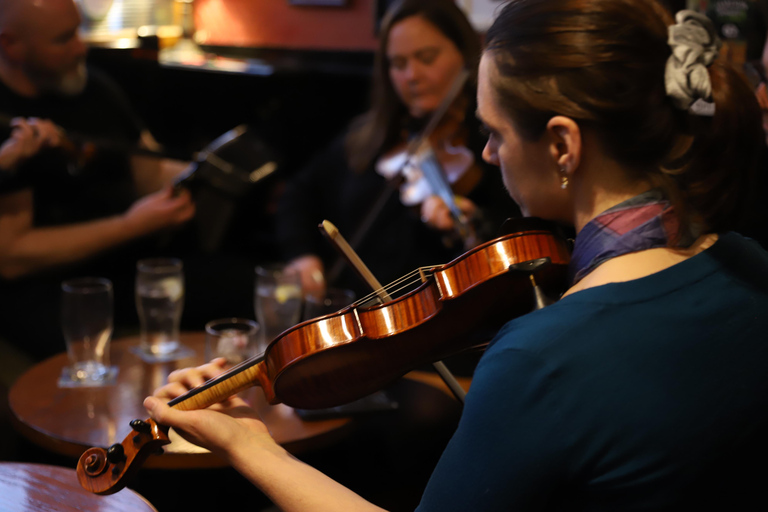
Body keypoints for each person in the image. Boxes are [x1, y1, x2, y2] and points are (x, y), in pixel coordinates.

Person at [144, 0, 768, 510]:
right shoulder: (751, 266)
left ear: (562, 146)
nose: (489, 154)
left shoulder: (540, 357)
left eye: (495, 132)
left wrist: (250, 447)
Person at [276, 0, 520, 300]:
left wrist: (478, 223)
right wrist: (302, 256)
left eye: (427, 58)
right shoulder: (369, 136)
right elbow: (298, 195)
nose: (411, 76)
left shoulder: (493, 144)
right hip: (353, 309)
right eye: (398, 64)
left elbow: (518, 235)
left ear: (465, 55)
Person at [0, 0, 195, 360]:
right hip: (44, 285)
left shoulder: (96, 86)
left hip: (125, 262)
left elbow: (152, 174)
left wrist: (205, 177)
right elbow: (11, 257)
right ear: (10, 45)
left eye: (79, 31)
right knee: (91, 355)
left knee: (236, 283)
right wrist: (131, 225)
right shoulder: (9, 127)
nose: (81, 48)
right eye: (63, 39)